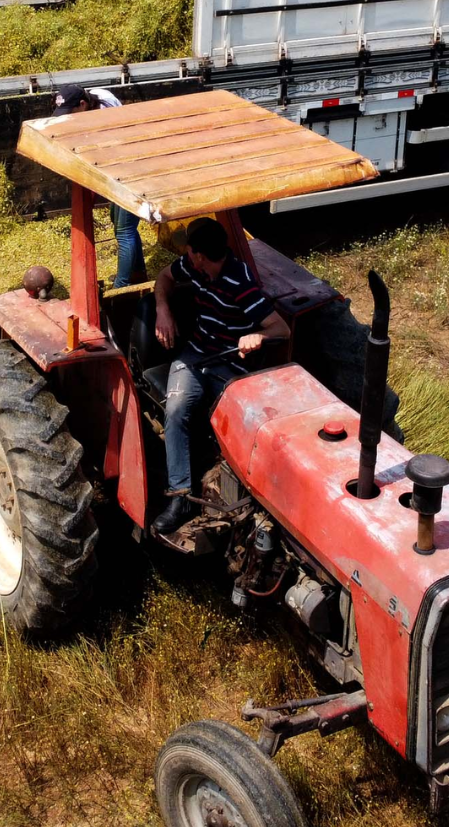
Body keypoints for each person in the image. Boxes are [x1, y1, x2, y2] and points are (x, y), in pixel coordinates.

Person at [152, 217, 288, 535]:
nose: (187, 255)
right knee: (175, 408)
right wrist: (163, 310)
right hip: (196, 354)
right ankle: (181, 497)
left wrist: (258, 337)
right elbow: (163, 277)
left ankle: (251, 499)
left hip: (229, 366)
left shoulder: (240, 282)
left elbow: (279, 327)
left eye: (190, 250)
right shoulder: (191, 266)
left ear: (199, 253)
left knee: (242, 424)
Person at [52, 86, 147, 287]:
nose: (68, 117)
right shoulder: (100, 95)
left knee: (124, 230)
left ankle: (122, 285)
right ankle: (138, 273)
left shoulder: (101, 117)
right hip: (117, 170)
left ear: (83, 105)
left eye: (70, 112)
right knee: (118, 221)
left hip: (129, 169)